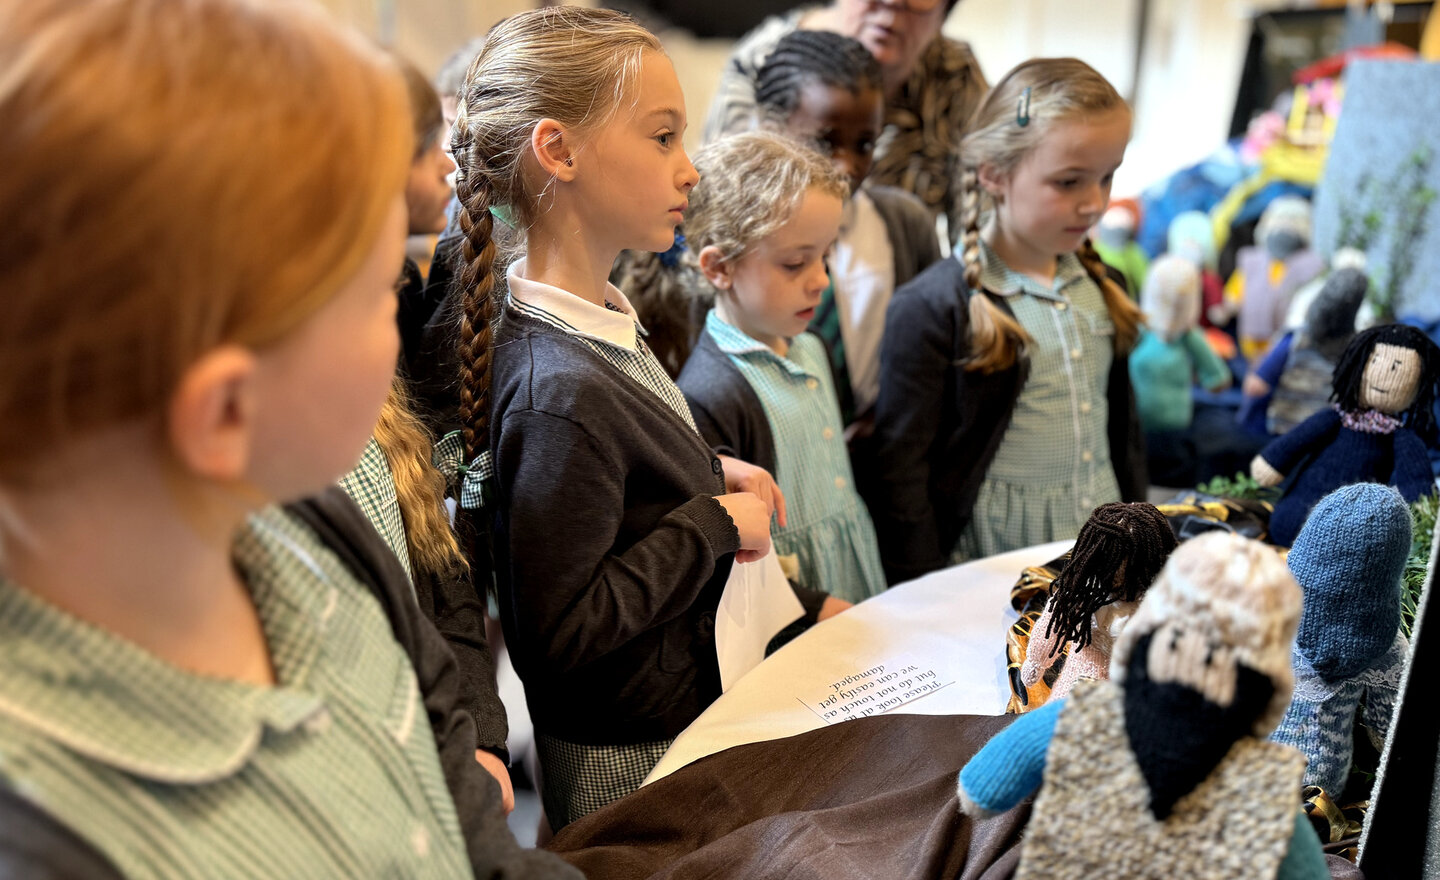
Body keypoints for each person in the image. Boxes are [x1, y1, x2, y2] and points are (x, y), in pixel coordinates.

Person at [0, 0, 578, 877]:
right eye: (377, 288)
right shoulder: (67, 839)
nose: (400, 318)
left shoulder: (320, 534)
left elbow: (476, 845)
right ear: (227, 414)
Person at [448, 6, 782, 830]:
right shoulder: (559, 389)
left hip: (675, 721)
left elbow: (615, 496)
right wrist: (709, 521)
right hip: (628, 762)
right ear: (559, 152)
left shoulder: (593, 317)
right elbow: (564, 632)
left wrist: (708, 473)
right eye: (662, 137)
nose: (690, 170)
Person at [867, 58, 1147, 585]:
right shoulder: (934, 306)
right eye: (1068, 181)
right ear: (994, 174)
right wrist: (920, 587)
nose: (1094, 202)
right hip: (997, 560)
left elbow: (1123, 432)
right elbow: (900, 470)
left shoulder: (1104, 285)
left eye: (1107, 177)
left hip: (1101, 543)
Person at [678, 131, 883, 604]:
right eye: (795, 263)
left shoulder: (809, 347)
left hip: (849, 564)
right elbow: (730, 555)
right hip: (793, 594)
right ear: (719, 268)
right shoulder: (712, 391)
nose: (821, 282)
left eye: (825, 256)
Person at [753, 28, 942, 425]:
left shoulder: (906, 224)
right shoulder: (737, 236)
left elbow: (928, 355)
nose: (847, 166)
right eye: (824, 142)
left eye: (866, 144)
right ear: (769, 128)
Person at [706, 0, 986, 242]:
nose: (891, 3)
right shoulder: (764, 65)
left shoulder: (956, 78)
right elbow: (719, 221)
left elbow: (978, 229)